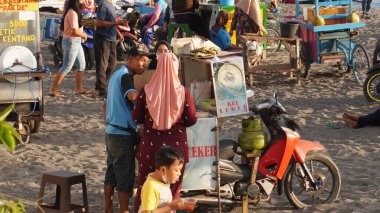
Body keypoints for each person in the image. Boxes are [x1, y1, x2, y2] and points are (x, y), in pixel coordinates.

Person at [132, 53, 197, 213]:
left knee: (144, 189)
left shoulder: (146, 91)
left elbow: (137, 117)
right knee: (172, 192)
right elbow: (192, 119)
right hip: (176, 149)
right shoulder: (183, 92)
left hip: (151, 148)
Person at [103, 44, 152, 213]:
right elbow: (132, 95)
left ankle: (107, 210)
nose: (145, 64)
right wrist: (150, 94)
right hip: (121, 134)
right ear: (130, 59)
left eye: (147, 60)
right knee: (125, 178)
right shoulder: (125, 77)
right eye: (142, 60)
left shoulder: (116, 74)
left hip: (111, 131)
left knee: (111, 174)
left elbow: (105, 103)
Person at [49, 0, 91, 97]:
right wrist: (84, 35)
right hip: (71, 41)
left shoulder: (74, 11)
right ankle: (52, 89)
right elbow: (75, 30)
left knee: (81, 65)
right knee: (66, 67)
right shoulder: (72, 12)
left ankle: (79, 89)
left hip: (76, 41)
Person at [93, 0, 128, 99]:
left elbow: (111, 22)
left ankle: (98, 87)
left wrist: (119, 33)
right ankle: (103, 92)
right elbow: (99, 22)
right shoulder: (103, 4)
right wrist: (117, 22)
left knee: (112, 65)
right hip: (103, 38)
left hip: (111, 39)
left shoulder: (111, 5)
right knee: (102, 66)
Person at [139, 146, 186, 213]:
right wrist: (170, 207)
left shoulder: (163, 182)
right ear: (163, 170)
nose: (179, 174)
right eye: (176, 170)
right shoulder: (151, 186)